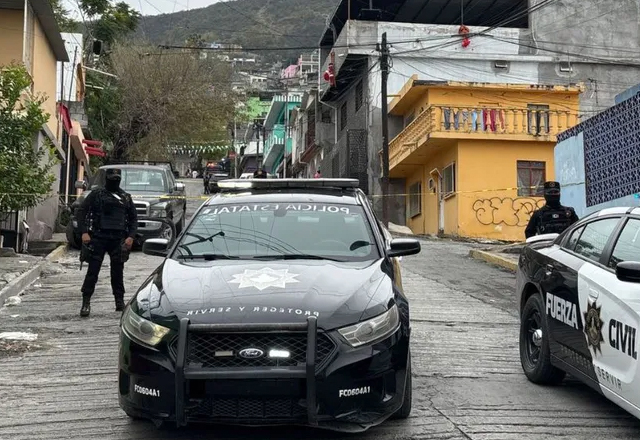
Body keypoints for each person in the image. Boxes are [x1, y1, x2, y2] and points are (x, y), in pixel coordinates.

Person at [76, 168, 138, 317]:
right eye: (112, 178)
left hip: (118, 239)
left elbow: (133, 218)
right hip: (99, 237)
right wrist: (84, 232)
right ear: (106, 179)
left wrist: (131, 236)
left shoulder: (125, 197)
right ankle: (86, 302)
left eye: (117, 179)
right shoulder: (97, 194)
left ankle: (119, 301)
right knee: (93, 271)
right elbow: (82, 212)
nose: (114, 181)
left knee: (118, 272)